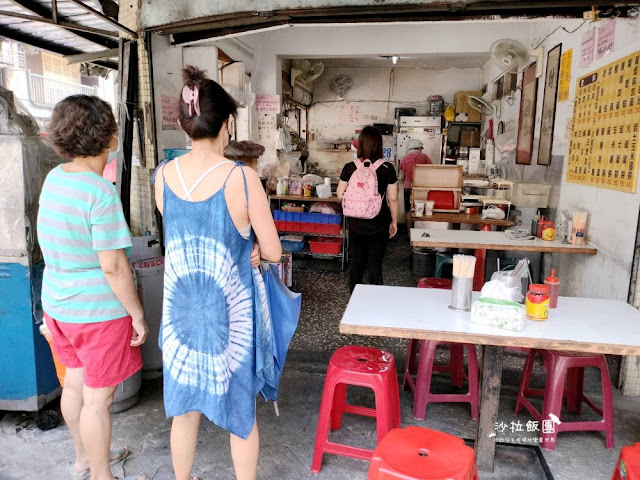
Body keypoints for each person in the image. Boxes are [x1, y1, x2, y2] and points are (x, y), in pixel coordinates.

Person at [154, 66, 282, 480]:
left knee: (184, 409)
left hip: (181, 320)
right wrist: (257, 250)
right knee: (240, 412)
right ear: (228, 124)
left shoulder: (161, 177)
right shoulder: (242, 179)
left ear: (182, 123)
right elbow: (276, 250)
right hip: (230, 320)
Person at [37, 95, 148, 480]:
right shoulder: (100, 193)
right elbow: (114, 267)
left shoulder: (55, 178)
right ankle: (102, 476)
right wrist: (137, 315)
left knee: (75, 386)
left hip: (57, 305)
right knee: (98, 401)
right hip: (97, 313)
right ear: (111, 138)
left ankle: (84, 458)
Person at [337, 126, 398, 292]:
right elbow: (392, 198)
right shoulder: (387, 168)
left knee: (357, 262)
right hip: (378, 223)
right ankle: (374, 303)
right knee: (374, 263)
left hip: (355, 223)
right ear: (379, 145)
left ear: (360, 144)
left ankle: (354, 302)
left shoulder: (350, 167)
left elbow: (340, 194)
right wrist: (394, 221)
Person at [399, 138, 432, 213]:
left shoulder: (404, 159)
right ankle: (419, 224)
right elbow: (432, 171)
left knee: (408, 210)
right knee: (420, 209)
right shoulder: (424, 157)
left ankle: (409, 225)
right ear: (419, 148)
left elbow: (401, 176)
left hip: (407, 187)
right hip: (421, 187)